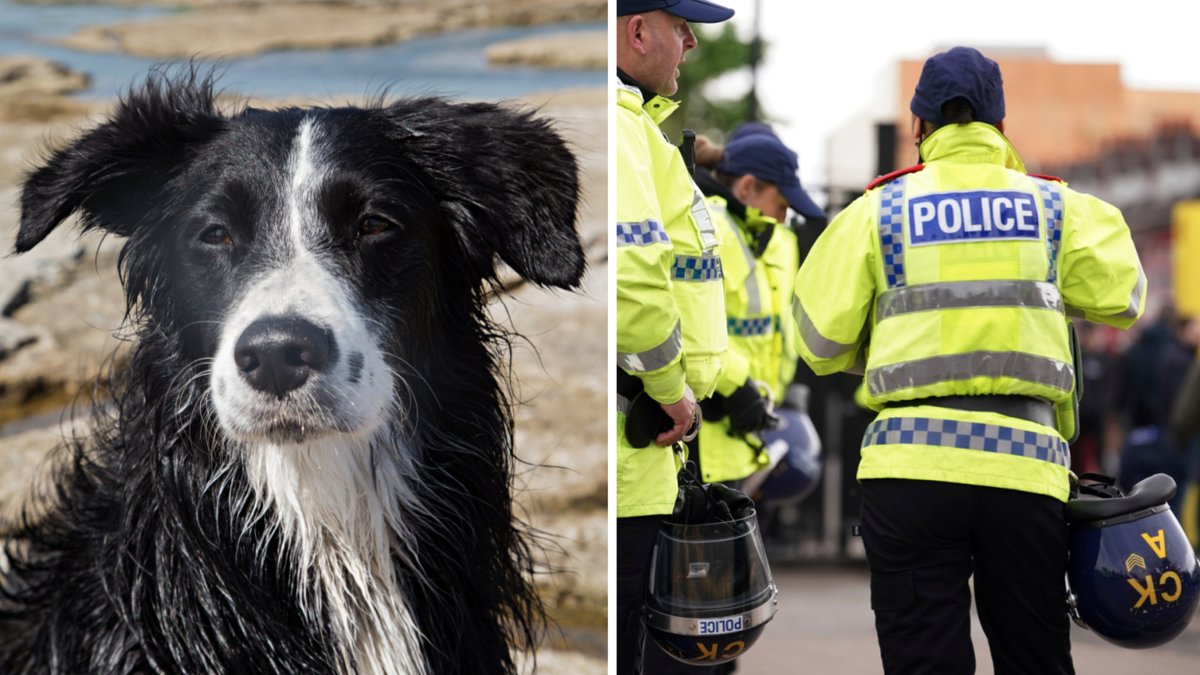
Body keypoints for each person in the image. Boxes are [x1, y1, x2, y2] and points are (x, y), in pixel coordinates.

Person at [791, 46, 1146, 674]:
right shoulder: (1056, 208)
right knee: (1034, 657)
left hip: (911, 469)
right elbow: (1124, 300)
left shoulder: (877, 212)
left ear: (919, 128)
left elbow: (817, 345)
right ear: (1001, 127)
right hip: (1026, 474)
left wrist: (889, 346)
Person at [614, 1, 734, 673]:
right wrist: (672, 390)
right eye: (682, 26)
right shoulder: (627, 130)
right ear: (637, 31)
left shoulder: (640, 133)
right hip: (637, 435)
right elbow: (635, 276)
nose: (690, 41)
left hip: (645, 446)